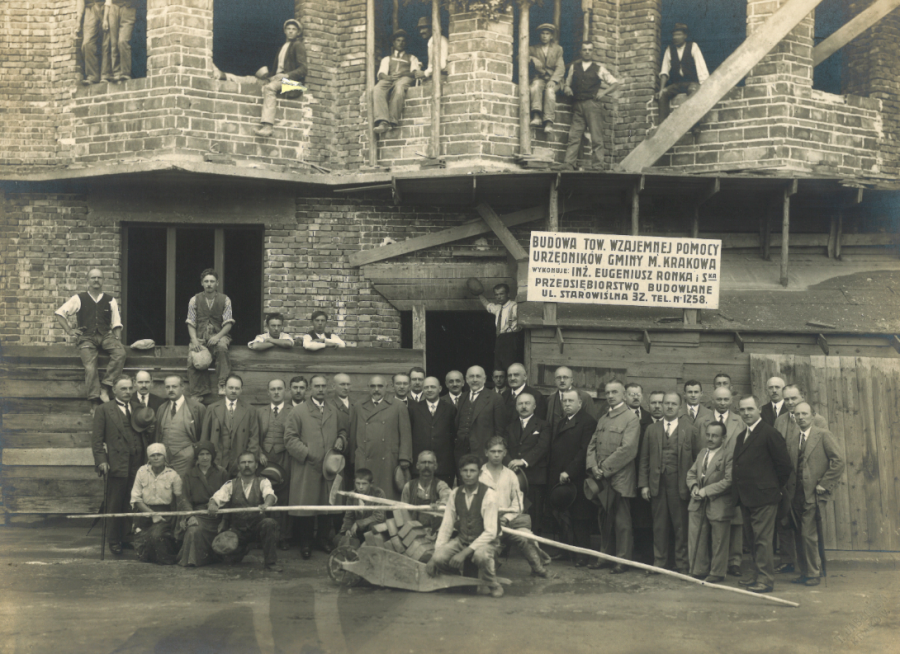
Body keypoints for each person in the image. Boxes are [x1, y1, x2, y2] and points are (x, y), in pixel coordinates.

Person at [732, 395, 793, 593]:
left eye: (750, 409)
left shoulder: (769, 433)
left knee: (762, 539)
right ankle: (757, 574)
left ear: (758, 409)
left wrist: (771, 488)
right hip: (747, 497)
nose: (746, 413)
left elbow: (784, 466)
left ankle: (765, 580)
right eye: (742, 410)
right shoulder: (743, 436)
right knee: (751, 539)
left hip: (764, 498)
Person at [285, 375, 349, 558]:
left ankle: (322, 539)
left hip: (330, 467)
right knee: (307, 505)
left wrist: (340, 440)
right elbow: (289, 439)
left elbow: (343, 431)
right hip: (307, 467)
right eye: (316, 386)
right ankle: (305, 543)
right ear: (310, 389)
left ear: (327, 388)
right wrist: (308, 454)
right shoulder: (299, 412)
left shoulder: (333, 410)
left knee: (327, 505)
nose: (320, 389)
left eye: (323, 386)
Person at [212, 19, 308, 138]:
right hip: (280, 80)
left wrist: (286, 75)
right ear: (285, 31)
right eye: (288, 29)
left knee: (269, 88)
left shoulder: (298, 46)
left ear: (298, 32)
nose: (291, 31)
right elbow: (279, 71)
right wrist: (268, 76)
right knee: (252, 80)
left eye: (294, 29)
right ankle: (224, 75)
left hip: (295, 84)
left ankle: (268, 126)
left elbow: (304, 69)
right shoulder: (283, 47)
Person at [784, 403, 844, 587]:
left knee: (808, 535)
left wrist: (824, 484)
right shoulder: (793, 437)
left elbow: (838, 461)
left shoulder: (823, 435)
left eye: (804, 413)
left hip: (814, 493)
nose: (800, 417)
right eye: (797, 414)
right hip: (795, 494)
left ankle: (813, 573)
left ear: (813, 415)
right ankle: (804, 572)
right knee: (799, 534)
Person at [426, 454, 503, 598]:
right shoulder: (455, 493)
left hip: (487, 542)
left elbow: (491, 532)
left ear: (479, 473)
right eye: (465, 471)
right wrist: (434, 556)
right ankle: (456, 579)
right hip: (463, 540)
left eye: (472, 471)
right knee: (439, 558)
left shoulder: (489, 495)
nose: (468, 475)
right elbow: (446, 527)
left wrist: (464, 553)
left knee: (481, 556)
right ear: (460, 472)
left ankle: (493, 583)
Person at [773, 384, 828, 574]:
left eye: (793, 398)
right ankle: (789, 561)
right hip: (787, 482)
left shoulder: (817, 420)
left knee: (808, 530)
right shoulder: (780, 421)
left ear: (802, 397)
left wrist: (820, 482)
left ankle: (814, 567)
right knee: (785, 523)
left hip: (807, 484)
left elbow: (820, 452)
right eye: (786, 399)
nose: (789, 402)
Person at [586, 380, 640, 573]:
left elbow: (628, 450)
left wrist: (604, 468)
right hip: (601, 479)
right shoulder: (603, 418)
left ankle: (622, 560)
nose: (610, 396)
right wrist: (593, 467)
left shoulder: (630, 418)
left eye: (614, 392)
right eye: (607, 392)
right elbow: (592, 445)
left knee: (621, 521)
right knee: (603, 519)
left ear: (624, 395)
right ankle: (605, 556)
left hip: (619, 479)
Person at [692, 385, 745, 577]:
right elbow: (697, 449)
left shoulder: (740, 421)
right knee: (709, 526)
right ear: (712, 400)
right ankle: (707, 566)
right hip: (709, 475)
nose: (722, 403)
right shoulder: (702, 421)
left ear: (731, 401)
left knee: (734, 522)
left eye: (726, 400)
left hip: (733, 477)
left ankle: (734, 561)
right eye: (718, 399)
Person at [638, 392, 693, 574]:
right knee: (659, 526)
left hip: (680, 486)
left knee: (681, 526)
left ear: (680, 407)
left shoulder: (690, 429)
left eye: (673, 404)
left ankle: (682, 565)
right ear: (661, 406)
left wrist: (693, 485)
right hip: (657, 485)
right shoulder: (651, 430)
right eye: (666, 403)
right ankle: (659, 563)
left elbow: (697, 459)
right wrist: (644, 484)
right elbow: (644, 459)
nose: (669, 407)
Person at [91, 375, 145, 556]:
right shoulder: (104, 410)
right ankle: (114, 540)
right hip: (116, 464)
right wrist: (102, 462)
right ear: (114, 390)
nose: (128, 392)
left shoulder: (139, 408)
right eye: (124, 389)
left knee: (132, 501)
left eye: (130, 388)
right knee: (115, 503)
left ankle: (126, 537)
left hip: (137, 464)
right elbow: (97, 440)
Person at [55, 268, 126, 404]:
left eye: (99, 278)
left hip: (106, 335)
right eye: (93, 278)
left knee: (120, 353)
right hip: (86, 337)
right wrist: (70, 331)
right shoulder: (79, 298)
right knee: (90, 366)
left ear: (103, 281)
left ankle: (106, 386)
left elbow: (116, 323)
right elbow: (60, 313)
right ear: (88, 281)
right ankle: (94, 399)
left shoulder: (110, 300)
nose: (96, 280)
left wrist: (117, 339)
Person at [481, 437, 549, 577]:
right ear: (486, 452)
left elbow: (518, 504)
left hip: (510, 523)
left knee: (526, 537)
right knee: (485, 553)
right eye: (493, 451)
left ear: (505, 453)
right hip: (486, 525)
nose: (496, 455)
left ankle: (538, 568)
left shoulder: (511, 475)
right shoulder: (479, 475)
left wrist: (506, 518)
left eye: (500, 451)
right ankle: (492, 564)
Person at [546, 390, 598, 565]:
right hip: (561, 477)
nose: (567, 404)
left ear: (580, 404)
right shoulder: (562, 422)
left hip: (576, 478)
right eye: (564, 401)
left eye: (571, 401)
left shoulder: (587, 422)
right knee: (563, 516)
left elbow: (585, 451)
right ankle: (566, 551)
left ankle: (582, 556)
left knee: (580, 519)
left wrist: (569, 472)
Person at [208, 452, 282, 572]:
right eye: (243, 462)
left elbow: (270, 495)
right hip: (238, 531)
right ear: (238, 466)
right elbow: (217, 497)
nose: (246, 465)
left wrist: (266, 504)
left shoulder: (263, 481)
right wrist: (213, 504)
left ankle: (271, 562)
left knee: (269, 523)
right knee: (229, 562)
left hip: (257, 528)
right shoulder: (231, 484)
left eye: (250, 462)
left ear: (256, 465)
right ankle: (243, 549)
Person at [686, 422, 735, 582]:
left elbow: (729, 480)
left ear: (724, 438)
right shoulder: (702, 453)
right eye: (708, 435)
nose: (710, 438)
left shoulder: (729, 454)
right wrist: (693, 487)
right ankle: (698, 569)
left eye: (715, 436)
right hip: (698, 502)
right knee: (696, 537)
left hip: (718, 503)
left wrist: (706, 491)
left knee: (719, 540)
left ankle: (717, 573)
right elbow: (691, 473)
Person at [349, 375, 412, 501]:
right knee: (365, 497)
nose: (376, 389)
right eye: (373, 386)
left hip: (388, 460)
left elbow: (405, 434)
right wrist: (353, 457)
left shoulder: (398, 405)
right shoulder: (359, 406)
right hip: (364, 458)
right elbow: (353, 433)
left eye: (380, 386)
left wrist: (404, 457)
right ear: (368, 387)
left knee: (387, 497)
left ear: (387, 387)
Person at [561, 41, 620, 171]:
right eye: (584, 49)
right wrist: (567, 88)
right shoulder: (574, 67)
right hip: (577, 106)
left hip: (593, 105)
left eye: (589, 50)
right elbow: (567, 83)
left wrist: (603, 93)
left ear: (592, 52)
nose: (587, 52)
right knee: (574, 136)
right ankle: (568, 164)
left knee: (596, 137)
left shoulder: (599, 68)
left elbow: (615, 83)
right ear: (581, 51)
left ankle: (598, 166)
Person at [176, 441, 229, 567]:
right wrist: (190, 516)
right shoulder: (190, 474)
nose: (205, 457)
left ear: (212, 456)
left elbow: (228, 496)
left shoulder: (222, 473)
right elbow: (185, 498)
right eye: (201, 454)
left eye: (207, 454)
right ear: (197, 457)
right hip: (198, 514)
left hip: (217, 514)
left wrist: (224, 520)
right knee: (193, 530)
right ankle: (192, 561)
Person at [505, 392, 551, 536]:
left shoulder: (543, 425)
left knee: (535, 513)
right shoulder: (510, 427)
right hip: (512, 475)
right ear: (516, 407)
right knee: (512, 509)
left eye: (527, 403)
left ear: (534, 406)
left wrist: (524, 462)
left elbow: (542, 447)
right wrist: (510, 463)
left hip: (534, 475)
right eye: (520, 404)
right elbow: (504, 447)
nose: (523, 406)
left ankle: (534, 544)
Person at [131, 443, 183, 565]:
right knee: (141, 546)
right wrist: (152, 514)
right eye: (152, 455)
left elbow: (180, 497)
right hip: (144, 512)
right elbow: (136, 498)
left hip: (165, 514)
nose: (156, 458)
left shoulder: (172, 475)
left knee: (155, 536)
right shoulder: (142, 472)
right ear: (148, 458)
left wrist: (178, 519)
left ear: (164, 457)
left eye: (159, 455)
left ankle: (166, 558)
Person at [186, 268, 234, 397]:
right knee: (194, 357)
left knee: (222, 348)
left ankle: (222, 382)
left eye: (212, 281)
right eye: (206, 281)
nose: (209, 284)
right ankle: (199, 392)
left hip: (220, 335)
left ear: (217, 283)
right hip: (200, 336)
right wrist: (194, 339)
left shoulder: (225, 299)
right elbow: (190, 322)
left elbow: (228, 323)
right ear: (202, 283)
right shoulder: (194, 300)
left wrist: (218, 337)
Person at [258, 378, 293, 549]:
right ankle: (265, 537)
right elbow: (254, 435)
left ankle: (285, 537)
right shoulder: (260, 412)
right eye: (273, 389)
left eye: (280, 389)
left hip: (285, 458)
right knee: (264, 495)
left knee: (284, 497)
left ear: (285, 391)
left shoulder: (294, 411)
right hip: (264, 459)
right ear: (268, 392)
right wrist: (258, 452)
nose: (276, 392)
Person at [201, 374, 260, 477]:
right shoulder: (212, 408)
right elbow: (204, 437)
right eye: (231, 387)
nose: (233, 391)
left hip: (239, 460)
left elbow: (254, 439)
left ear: (241, 390)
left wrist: (248, 462)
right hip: (217, 459)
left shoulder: (250, 410)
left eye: (237, 388)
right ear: (224, 388)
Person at [154, 375, 206, 479]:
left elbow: (203, 435)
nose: (171, 390)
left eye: (174, 386)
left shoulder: (197, 408)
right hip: (165, 459)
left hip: (186, 459)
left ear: (182, 387)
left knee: (182, 489)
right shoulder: (162, 408)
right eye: (167, 387)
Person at [625, 382, 654, 562]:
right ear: (624, 397)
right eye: (631, 394)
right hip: (624, 472)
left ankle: (643, 552)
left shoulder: (649, 418)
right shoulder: (619, 416)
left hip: (642, 472)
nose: (635, 397)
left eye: (638, 394)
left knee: (643, 514)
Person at [408, 376, 457, 485]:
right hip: (420, 465)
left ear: (440, 389)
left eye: (432, 387)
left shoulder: (450, 409)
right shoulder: (414, 409)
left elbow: (454, 435)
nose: (429, 390)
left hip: (443, 465)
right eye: (426, 387)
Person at [657, 23, 709, 123]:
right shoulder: (670, 49)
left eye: (679, 35)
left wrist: (704, 86)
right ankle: (662, 126)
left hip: (691, 83)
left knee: (693, 93)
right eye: (674, 35)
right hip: (677, 84)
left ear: (685, 36)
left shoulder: (693, 46)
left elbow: (701, 67)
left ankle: (695, 127)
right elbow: (664, 71)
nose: (676, 37)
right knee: (663, 95)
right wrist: (661, 89)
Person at [373, 30, 421, 134]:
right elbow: (381, 74)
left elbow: (415, 73)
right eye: (398, 40)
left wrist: (404, 73)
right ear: (394, 43)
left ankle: (392, 121)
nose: (400, 43)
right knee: (377, 88)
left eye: (403, 41)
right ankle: (383, 121)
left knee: (399, 88)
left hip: (404, 78)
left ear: (406, 43)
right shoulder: (387, 58)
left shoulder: (412, 58)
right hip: (390, 79)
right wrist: (389, 77)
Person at [455, 366, 507, 460]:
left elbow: (499, 431)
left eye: (478, 376)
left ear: (484, 379)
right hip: (462, 453)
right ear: (466, 379)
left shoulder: (495, 398)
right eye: (471, 376)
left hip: (483, 452)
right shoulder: (462, 397)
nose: (474, 379)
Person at [477, 283, 524, 375]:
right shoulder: (498, 308)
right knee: (499, 368)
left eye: (501, 294)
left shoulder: (514, 306)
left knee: (510, 368)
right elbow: (488, 306)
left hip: (510, 339)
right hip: (500, 339)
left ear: (508, 294)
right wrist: (479, 294)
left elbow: (523, 319)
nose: (498, 297)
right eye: (496, 294)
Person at [400, 451, 452, 532]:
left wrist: (440, 505)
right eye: (423, 462)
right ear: (417, 465)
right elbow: (403, 512)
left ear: (435, 466)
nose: (426, 466)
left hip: (435, 532)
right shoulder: (409, 486)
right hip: (413, 532)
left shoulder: (441, 485)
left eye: (430, 463)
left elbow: (449, 497)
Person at [528, 23, 565, 131]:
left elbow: (560, 67)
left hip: (554, 79)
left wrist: (553, 80)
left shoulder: (558, 49)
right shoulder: (533, 48)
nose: (544, 36)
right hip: (540, 78)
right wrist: (532, 58)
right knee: (535, 86)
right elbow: (520, 56)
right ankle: (536, 116)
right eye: (542, 33)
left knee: (549, 91)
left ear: (551, 36)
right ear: (539, 35)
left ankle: (548, 121)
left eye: (547, 34)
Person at [337, 468, 387, 548]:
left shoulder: (378, 493)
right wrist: (347, 529)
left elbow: (379, 516)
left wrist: (359, 523)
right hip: (359, 530)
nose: (360, 487)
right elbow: (349, 516)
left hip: (373, 528)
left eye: (364, 484)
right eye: (358, 483)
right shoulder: (352, 496)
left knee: (373, 527)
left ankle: (371, 548)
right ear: (354, 482)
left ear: (371, 484)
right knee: (339, 540)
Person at [76, 0, 109, 85]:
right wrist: (78, 20)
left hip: (106, 7)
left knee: (107, 41)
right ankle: (92, 75)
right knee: (87, 43)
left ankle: (106, 74)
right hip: (90, 9)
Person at [104, 0, 137, 83]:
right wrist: (105, 19)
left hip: (128, 8)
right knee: (114, 43)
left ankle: (125, 73)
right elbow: (108, 1)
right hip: (114, 8)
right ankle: (116, 73)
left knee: (123, 41)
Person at [414, 16, 448, 81]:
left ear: (432, 28)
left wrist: (425, 73)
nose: (421, 32)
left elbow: (441, 64)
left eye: (424, 28)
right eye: (420, 29)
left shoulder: (438, 40)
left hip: (442, 78)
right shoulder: (432, 41)